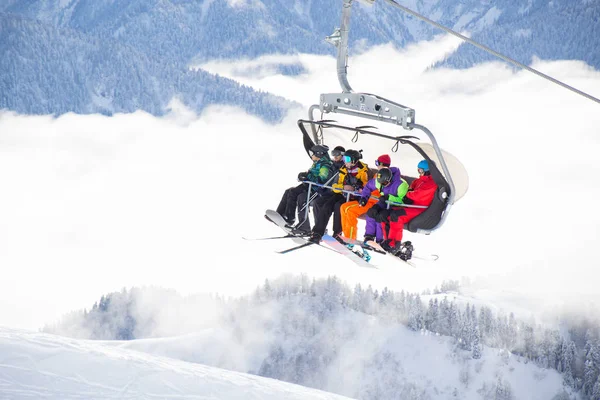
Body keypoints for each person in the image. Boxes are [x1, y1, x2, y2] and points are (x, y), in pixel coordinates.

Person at [370, 159, 438, 257]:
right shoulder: (419, 180)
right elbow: (411, 188)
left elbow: (419, 194)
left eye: (421, 171)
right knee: (385, 214)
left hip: (419, 208)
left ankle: (394, 244)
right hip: (410, 206)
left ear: (428, 171)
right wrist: (408, 194)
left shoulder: (432, 183)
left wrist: (408, 196)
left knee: (396, 216)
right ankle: (388, 240)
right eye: (418, 170)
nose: (419, 173)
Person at [309, 149, 369, 243]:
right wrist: (343, 187)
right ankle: (318, 233)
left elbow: (365, 188)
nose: (345, 161)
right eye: (344, 158)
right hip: (342, 194)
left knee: (338, 207)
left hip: (352, 197)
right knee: (326, 206)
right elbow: (335, 186)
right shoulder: (343, 170)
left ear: (354, 160)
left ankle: (337, 233)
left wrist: (357, 188)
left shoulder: (362, 171)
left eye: (347, 159)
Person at [276, 144, 334, 229]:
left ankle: (290, 218)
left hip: (315, 189)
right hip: (308, 186)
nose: (311, 155)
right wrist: (304, 175)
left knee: (294, 193)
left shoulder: (325, 166)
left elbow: (321, 181)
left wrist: (307, 177)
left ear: (319, 154)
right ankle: (280, 213)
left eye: (312, 153)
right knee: (288, 191)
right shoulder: (317, 163)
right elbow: (312, 174)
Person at [339, 154, 393, 241]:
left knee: (350, 211)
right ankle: (346, 235)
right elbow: (369, 186)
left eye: (377, 163)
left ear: (382, 164)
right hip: (367, 199)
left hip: (373, 203)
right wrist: (361, 187)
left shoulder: (387, 176)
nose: (377, 165)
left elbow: (381, 192)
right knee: (343, 207)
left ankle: (350, 238)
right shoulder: (378, 175)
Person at [295, 145, 345, 233]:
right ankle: (305, 227)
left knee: (318, 203)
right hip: (325, 190)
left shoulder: (344, 167)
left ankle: (321, 230)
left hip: (334, 192)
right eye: (333, 153)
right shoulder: (331, 164)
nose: (335, 156)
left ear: (343, 155)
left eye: (337, 154)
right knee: (302, 198)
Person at [366, 166, 409, 248]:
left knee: (381, 216)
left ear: (390, 179)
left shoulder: (401, 185)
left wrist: (389, 197)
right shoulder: (380, 181)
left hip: (395, 206)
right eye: (381, 184)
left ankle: (380, 240)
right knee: (371, 212)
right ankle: (369, 236)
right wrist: (364, 197)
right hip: (384, 203)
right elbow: (368, 186)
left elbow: (403, 202)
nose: (383, 185)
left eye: (385, 183)